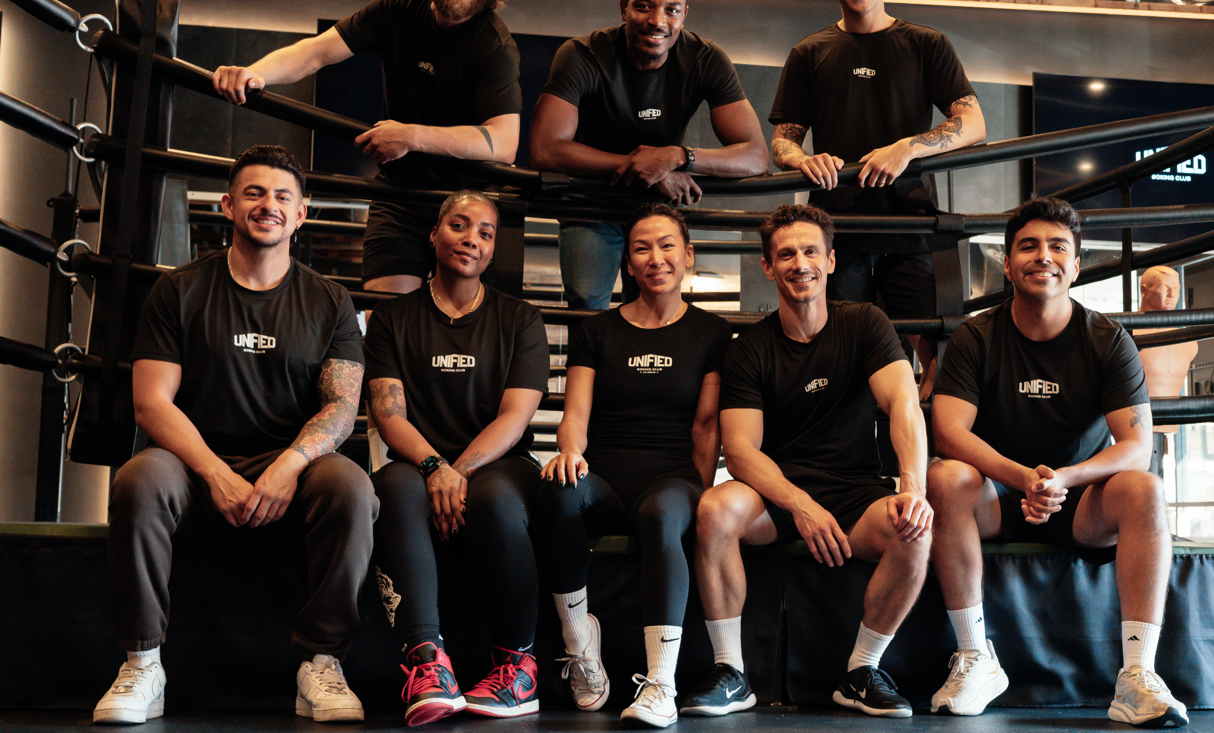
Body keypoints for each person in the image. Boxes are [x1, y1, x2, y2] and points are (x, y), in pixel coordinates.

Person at [94, 145, 375, 725]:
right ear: (227, 206)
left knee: (351, 485)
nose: (267, 206)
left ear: (302, 215)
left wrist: (288, 466)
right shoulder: (179, 290)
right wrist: (214, 471)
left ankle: (321, 663)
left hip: (288, 469)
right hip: (196, 465)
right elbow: (151, 403)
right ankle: (143, 664)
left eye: (282, 197)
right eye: (253, 193)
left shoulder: (330, 301)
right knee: (139, 479)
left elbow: (342, 410)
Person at [928, 197, 1186, 727]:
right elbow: (949, 433)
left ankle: (1137, 675)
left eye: (1057, 248)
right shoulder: (975, 336)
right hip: (998, 496)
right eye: (1028, 246)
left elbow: (1137, 446)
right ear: (1008, 263)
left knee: (1144, 488)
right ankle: (976, 656)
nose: (1042, 256)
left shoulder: (1108, 339)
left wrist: (1063, 478)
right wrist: (1022, 478)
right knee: (945, 475)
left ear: (1073, 265)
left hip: (1080, 500)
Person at [682, 203, 932, 719]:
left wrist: (912, 487)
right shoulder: (749, 348)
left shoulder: (865, 323)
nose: (801, 263)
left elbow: (904, 405)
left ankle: (862, 671)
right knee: (714, 508)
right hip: (778, 493)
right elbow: (743, 451)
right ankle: (732, 672)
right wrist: (800, 505)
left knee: (915, 527)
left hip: (856, 490)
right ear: (768, 267)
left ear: (832, 260)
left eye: (811, 251)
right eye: (787, 254)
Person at [212, 0, 522, 297]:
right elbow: (317, 52)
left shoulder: (494, 46)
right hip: (399, 197)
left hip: (469, 206)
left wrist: (411, 136)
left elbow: (503, 142)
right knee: (386, 328)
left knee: (459, 333)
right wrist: (254, 74)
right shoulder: (395, 11)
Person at [769, 0, 986, 399]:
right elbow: (783, 140)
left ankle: (923, 468)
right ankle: (852, 462)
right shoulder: (809, 52)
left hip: (909, 221)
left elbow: (973, 123)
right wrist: (799, 160)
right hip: (836, 227)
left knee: (934, 352)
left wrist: (908, 146)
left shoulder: (926, 43)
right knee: (841, 354)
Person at [536, 204, 734, 728]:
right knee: (556, 491)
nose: (656, 258)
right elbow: (575, 414)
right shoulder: (597, 331)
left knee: (662, 516)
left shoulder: (712, 333)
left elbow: (706, 425)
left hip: (671, 478)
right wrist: (571, 454)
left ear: (688, 255)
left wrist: (702, 488)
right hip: (604, 478)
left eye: (667, 245)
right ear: (627, 263)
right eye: (642, 248)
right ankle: (581, 645)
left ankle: (661, 684)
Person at [364, 190, 549, 725]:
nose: (471, 239)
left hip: (497, 465)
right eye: (459, 226)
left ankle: (518, 666)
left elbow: (515, 419)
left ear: (493, 251)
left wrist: (458, 472)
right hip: (420, 464)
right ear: (433, 234)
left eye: (485, 233)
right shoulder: (392, 319)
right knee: (393, 488)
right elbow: (388, 414)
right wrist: (432, 468)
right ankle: (428, 664)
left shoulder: (520, 319)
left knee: (493, 497)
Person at [529, 0, 768, 311]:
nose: (657, 20)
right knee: (586, 306)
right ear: (624, 7)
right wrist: (646, 171)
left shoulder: (705, 59)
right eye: (644, 6)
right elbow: (546, 149)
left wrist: (676, 157)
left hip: (659, 207)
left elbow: (755, 156)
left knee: (656, 311)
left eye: (672, 10)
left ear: (684, 15)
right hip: (592, 202)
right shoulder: (582, 54)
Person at [1136, 266, 1199, 475]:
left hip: (1170, 429)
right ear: (1144, 291)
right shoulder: (1126, 334)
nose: (1173, 295)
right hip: (1132, 429)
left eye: (1177, 288)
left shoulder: (1189, 341)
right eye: (1165, 288)